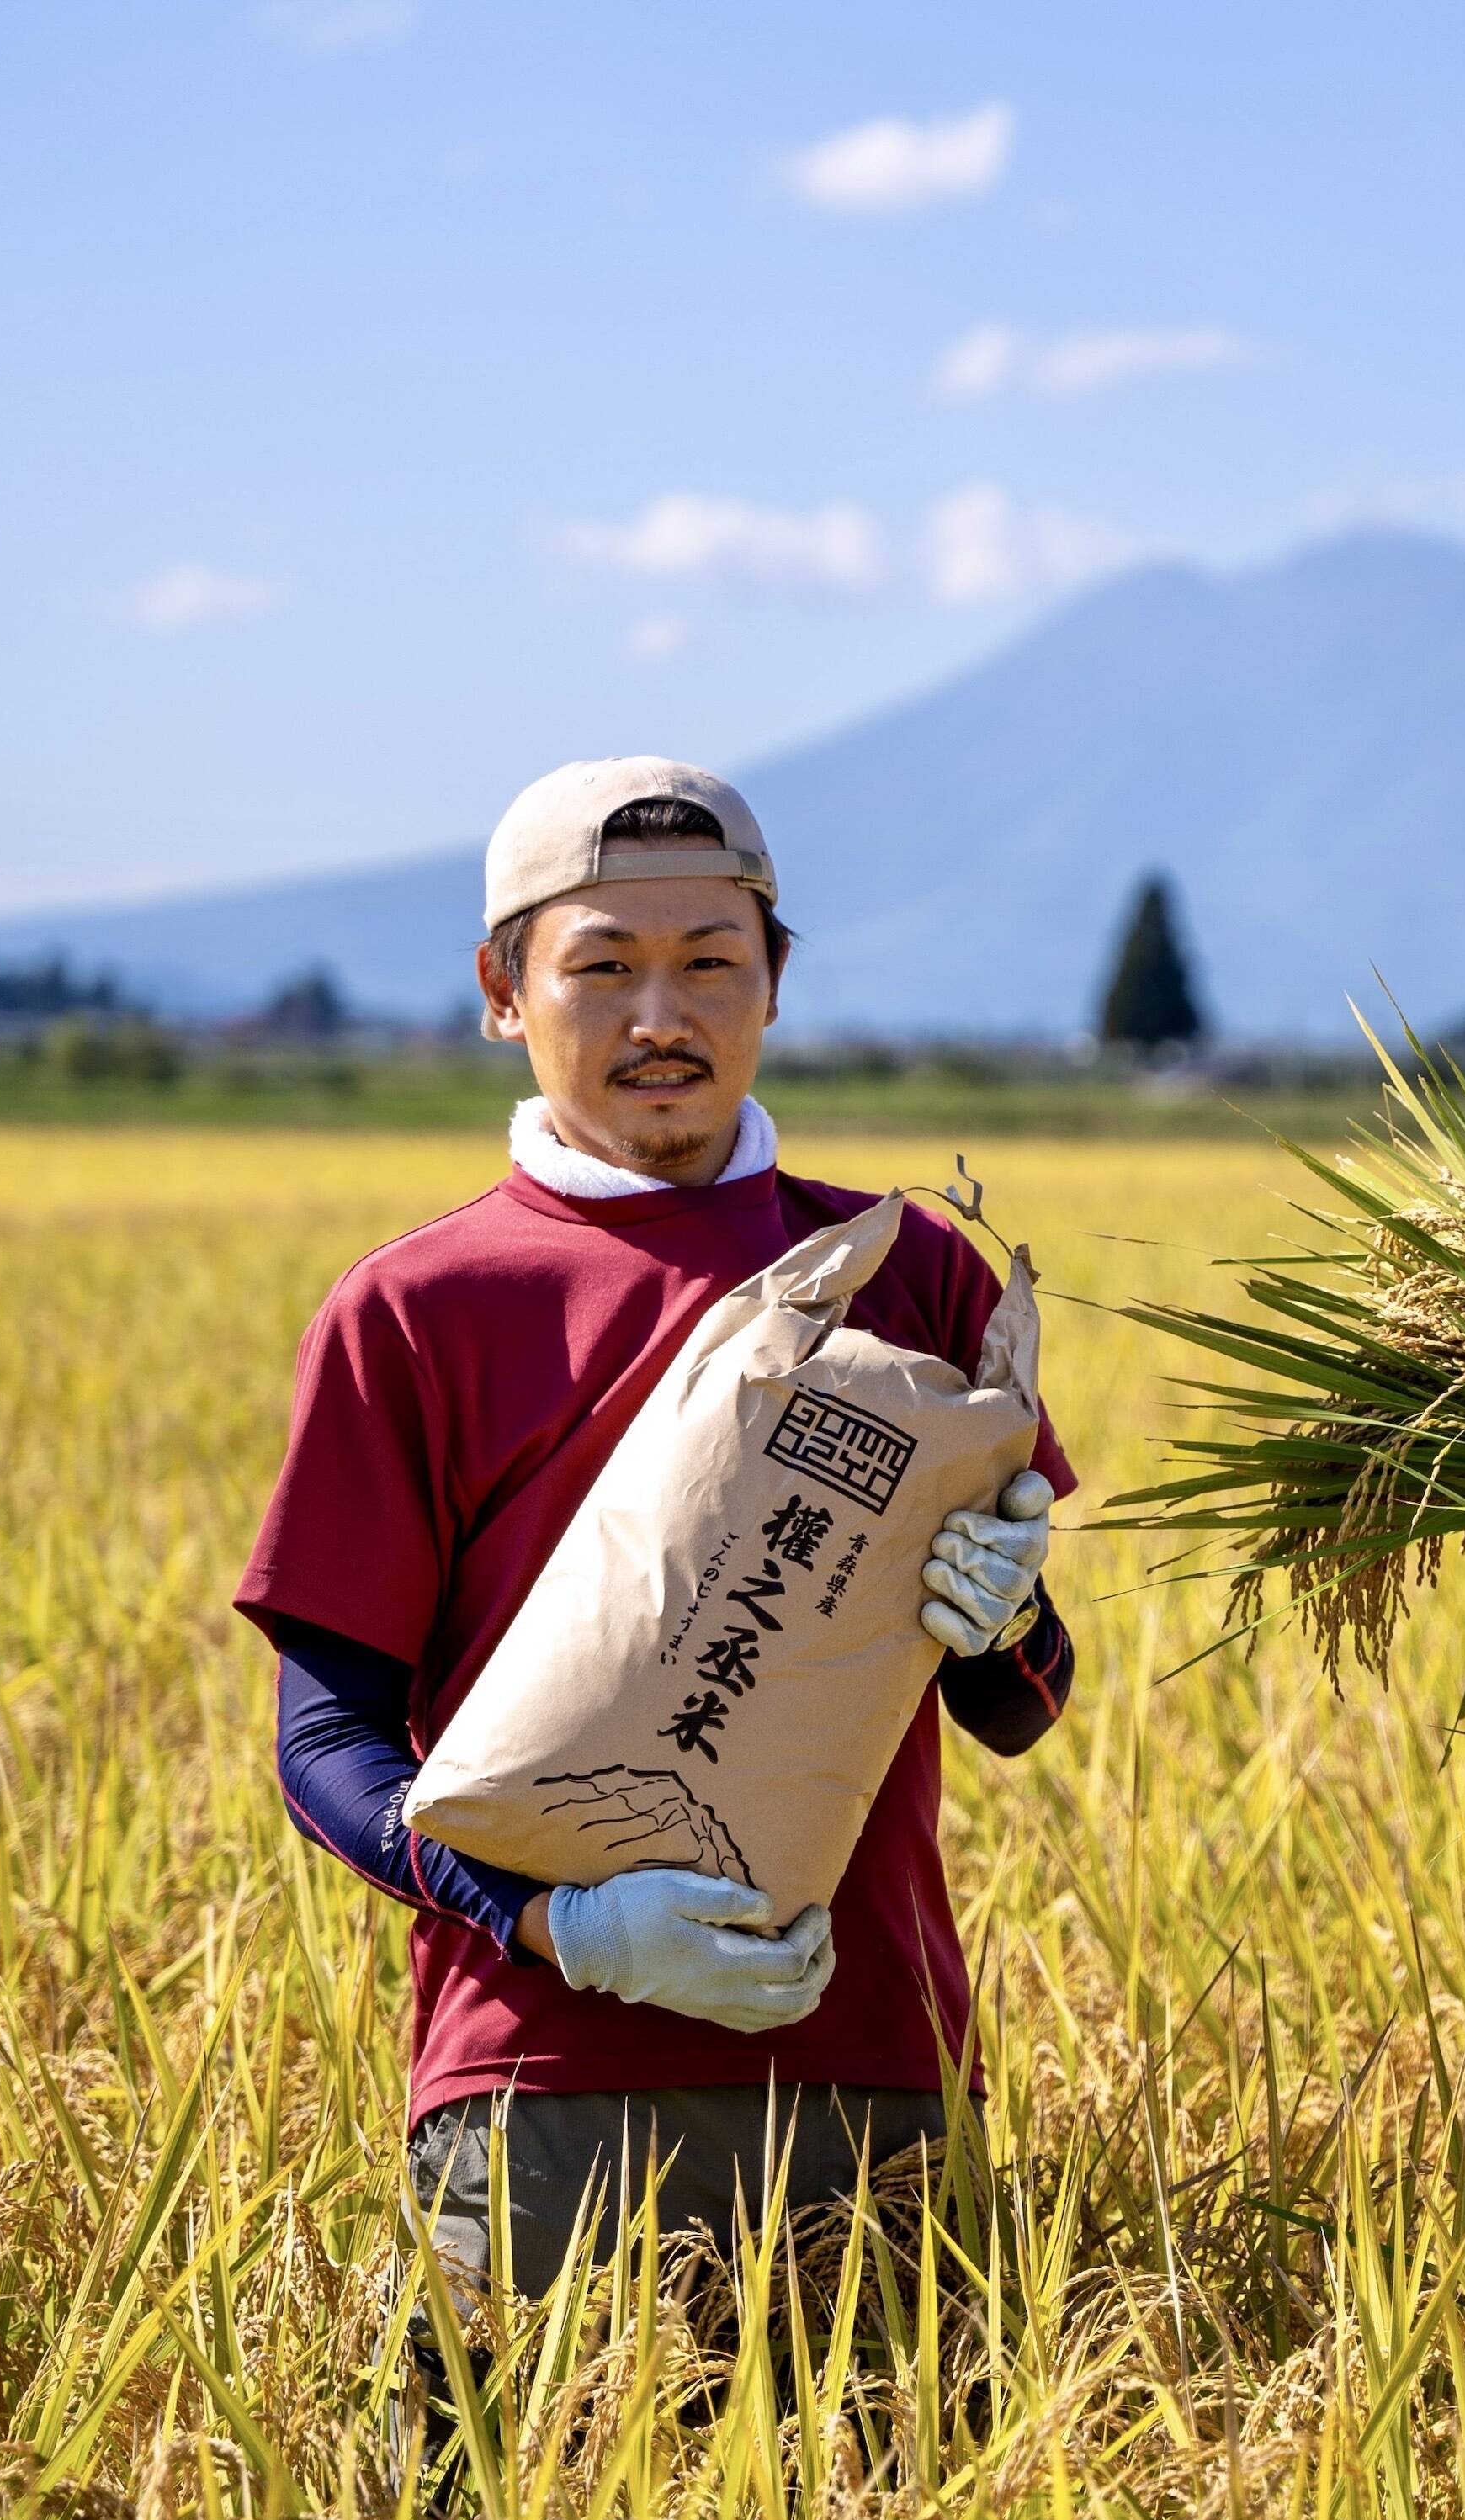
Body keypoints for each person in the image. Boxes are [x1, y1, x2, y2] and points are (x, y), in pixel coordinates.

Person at [236, 756, 1078, 2326]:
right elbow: (326, 1745)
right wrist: (563, 1926)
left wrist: (1006, 1614)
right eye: (602, 966)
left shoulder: (915, 1279)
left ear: (774, 983)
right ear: (503, 990)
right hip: (539, 2087)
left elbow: (1018, 1709)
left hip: (874, 2067)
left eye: (709, 962)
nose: (659, 1017)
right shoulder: (419, 1313)